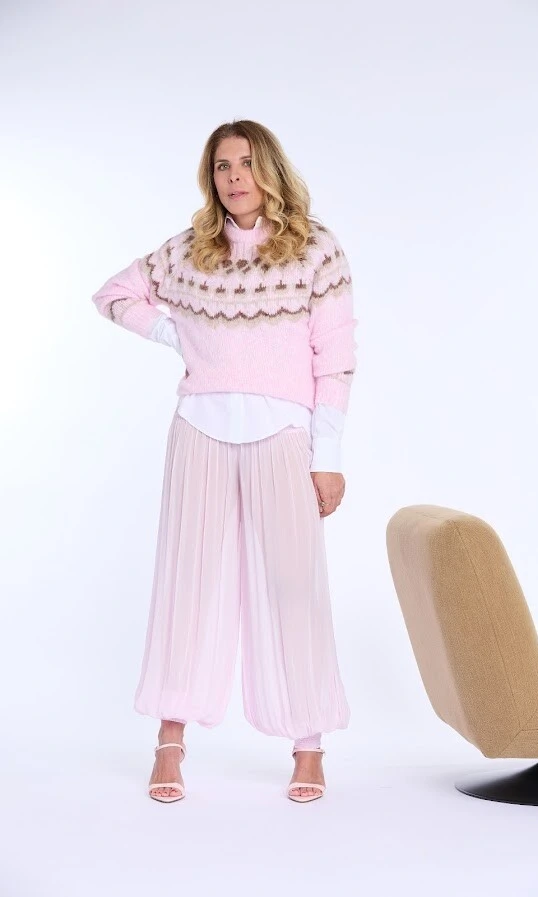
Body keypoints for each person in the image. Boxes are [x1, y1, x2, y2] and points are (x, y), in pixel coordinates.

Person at [91, 119, 358, 804]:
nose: (234, 177)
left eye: (245, 163)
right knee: (188, 584)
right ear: (210, 178)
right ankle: (170, 739)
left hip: (283, 434)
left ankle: (308, 744)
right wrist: (175, 332)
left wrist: (327, 456)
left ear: (270, 169)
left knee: (294, 586)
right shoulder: (190, 250)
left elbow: (335, 359)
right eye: (221, 166)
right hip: (200, 431)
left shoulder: (316, 249)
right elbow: (113, 295)